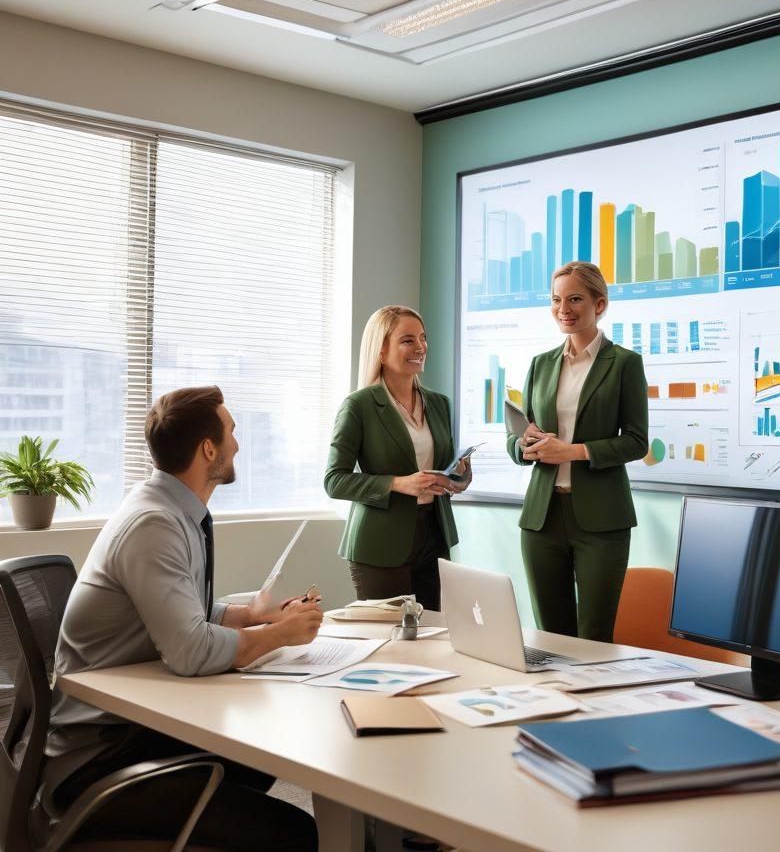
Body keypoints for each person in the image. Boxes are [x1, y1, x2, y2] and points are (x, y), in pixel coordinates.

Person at [42, 385, 323, 851]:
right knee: (296, 832)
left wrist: (250, 615)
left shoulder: (169, 510)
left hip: (130, 728)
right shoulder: (154, 524)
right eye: (231, 431)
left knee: (258, 757)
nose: (238, 444)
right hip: (98, 757)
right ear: (208, 449)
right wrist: (279, 634)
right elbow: (190, 649)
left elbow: (182, 613)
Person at [507, 262, 649, 642]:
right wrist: (523, 444)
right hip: (542, 517)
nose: (563, 309)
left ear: (599, 304)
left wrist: (571, 451)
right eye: (556, 300)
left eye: (574, 299)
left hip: (601, 518)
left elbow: (637, 441)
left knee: (593, 636)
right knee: (551, 636)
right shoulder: (541, 364)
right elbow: (517, 434)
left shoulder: (624, 364)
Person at [325, 306, 470, 612]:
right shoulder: (359, 406)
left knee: (434, 632)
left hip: (435, 535)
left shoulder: (439, 404)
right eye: (407, 340)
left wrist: (458, 477)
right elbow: (334, 481)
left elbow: (446, 467)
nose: (420, 347)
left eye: (423, 338)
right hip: (380, 543)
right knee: (388, 634)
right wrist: (399, 484)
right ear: (381, 350)